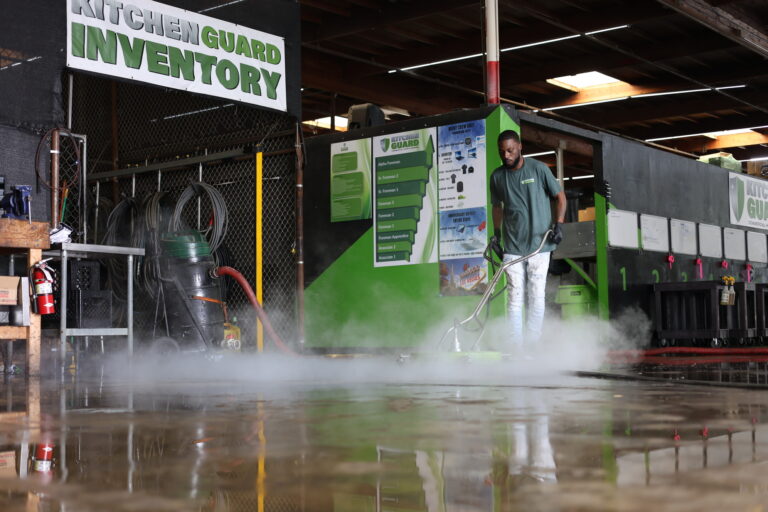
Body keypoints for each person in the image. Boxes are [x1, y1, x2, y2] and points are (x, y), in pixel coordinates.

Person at [490, 130, 566, 350]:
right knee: (514, 295)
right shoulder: (497, 177)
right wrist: (496, 234)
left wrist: (559, 224)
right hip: (512, 245)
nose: (506, 155)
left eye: (510, 150)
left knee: (536, 293)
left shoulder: (539, 169)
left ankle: (532, 345)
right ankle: (515, 347)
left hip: (540, 244)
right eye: (502, 151)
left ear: (520, 147)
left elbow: (560, 197)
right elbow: (497, 207)